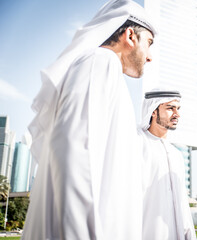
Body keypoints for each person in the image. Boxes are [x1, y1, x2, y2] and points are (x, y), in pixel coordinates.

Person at [22, 1, 156, 239]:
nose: (150, 57)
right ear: (130, 36)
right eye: (149, 43)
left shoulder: (107, 70)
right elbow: (74, 151)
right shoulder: (99, 62)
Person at [139, 89, 197, 240]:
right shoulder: (137, 144)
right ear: (153, 111)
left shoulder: (176, 154)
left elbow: (183, 206)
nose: (177, 114)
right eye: (170, 108)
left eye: (178, 109)